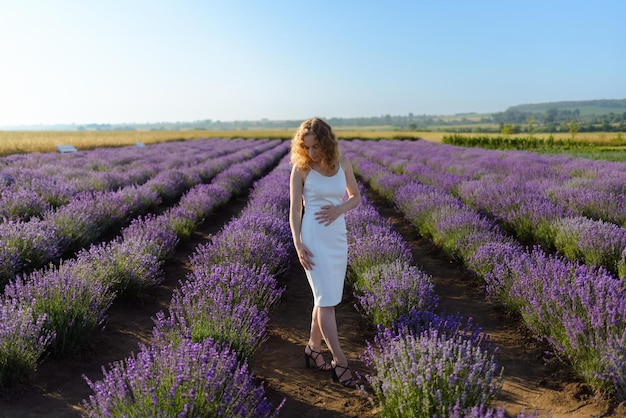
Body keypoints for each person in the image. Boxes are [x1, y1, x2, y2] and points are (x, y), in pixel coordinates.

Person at [289, 117, 361, 388]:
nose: (312, 153)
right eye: (306, 147)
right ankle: (340, 361)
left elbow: (355, 196)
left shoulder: (343, 164)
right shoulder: (301, 169)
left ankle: (312, 348)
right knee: (326, 300)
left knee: (324, 298)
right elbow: (295, 210)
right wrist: (298, 243)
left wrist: (339, 209)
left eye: (316, 146)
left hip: (337, 236)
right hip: (313, 238)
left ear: (327, 143)